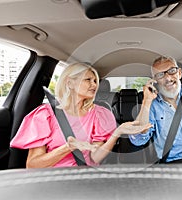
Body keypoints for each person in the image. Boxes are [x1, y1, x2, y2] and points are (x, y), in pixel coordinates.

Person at [10, 62, 152, 168]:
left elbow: (95, 158)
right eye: (88, 79)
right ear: (70, 82)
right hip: (53, 179)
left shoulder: (100, 114)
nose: (94, 84)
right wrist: (68, 147)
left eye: (95, 80)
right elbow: (32, 165)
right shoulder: (45, 115)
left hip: (85, 176)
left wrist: (117, 133)